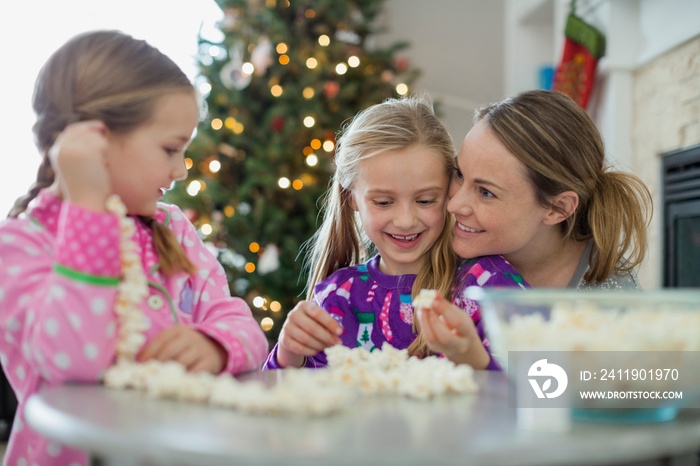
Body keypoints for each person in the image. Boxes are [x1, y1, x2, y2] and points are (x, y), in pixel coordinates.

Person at [0, 30, 268, 466]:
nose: (180, 171)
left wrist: (216, 344)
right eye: (170, 149)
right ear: (96, 140)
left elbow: (241, 324)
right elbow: (75, 361)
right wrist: (88, 207)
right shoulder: (19, 247)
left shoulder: (173, 230)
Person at [263, 96, 516, 372]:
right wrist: (287, 355)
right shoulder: (337, 298)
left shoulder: (488, 286)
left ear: (449, 193)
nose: (405, 221)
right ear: (352, 199)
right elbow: (284, 406)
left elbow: (539, 393)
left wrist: (474, 358)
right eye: (383, 202)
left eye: (426, 200)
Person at [415, 89, 653, 358]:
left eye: (486, 192)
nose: (453, 205)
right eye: (459, 174)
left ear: (557, 208)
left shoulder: (610, 311)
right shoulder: (434, 243)